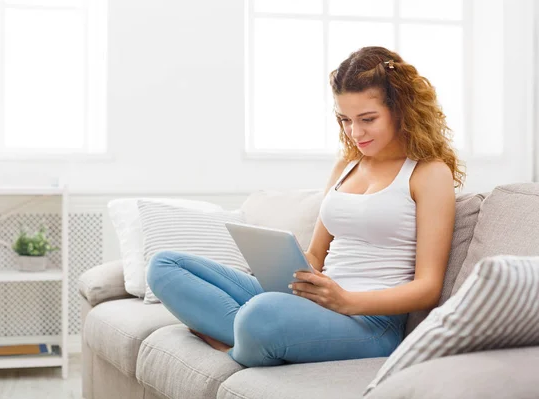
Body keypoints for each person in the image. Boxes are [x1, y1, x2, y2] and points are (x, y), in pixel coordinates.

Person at [147, 46, 465, 368]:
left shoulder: (428, 173)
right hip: (318, 300)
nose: (355, 132)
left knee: (260, 314)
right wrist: (289, 269)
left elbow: (428, 287)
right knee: (165, 265)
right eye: (345, 119)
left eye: (368, 119)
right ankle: (253, 339)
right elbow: (316, 255)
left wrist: (346, 301)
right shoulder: (347, 164)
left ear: (401, 110)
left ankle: (233, 345)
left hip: (370, 322)